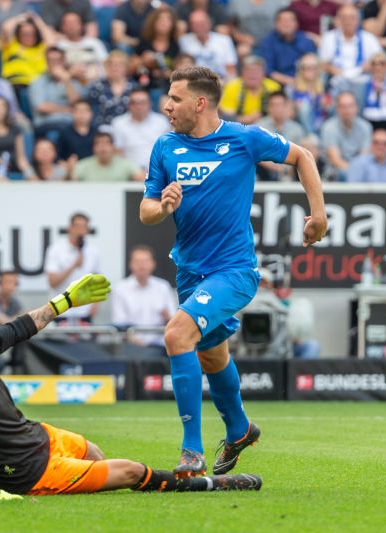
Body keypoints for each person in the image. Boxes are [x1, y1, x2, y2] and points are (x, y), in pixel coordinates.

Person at [0, 281, 262, 500]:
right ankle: (210, 485)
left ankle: (93, 482)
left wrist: (64, 302)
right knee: (132, 471)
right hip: (26, 472)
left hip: (37, 434)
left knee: (93, 452)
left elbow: (19, 328)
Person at [140, 66, 326, 478]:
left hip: (234, 270)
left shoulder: (244, 138)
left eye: (175, 98)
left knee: (176, 334)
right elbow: (146, 210)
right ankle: (240, 429)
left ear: (200, 103)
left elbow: (303, 156)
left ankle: (192, 450)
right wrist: (163, 206)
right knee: (210, 354)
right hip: (189, 272)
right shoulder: (165, 146)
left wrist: (319, 215)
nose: (167, 106)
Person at [112, 244, 177, 347]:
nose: (142, 265)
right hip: (131, 346)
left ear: (153, 264)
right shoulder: (120, 289)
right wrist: (139, 344)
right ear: (130, 264)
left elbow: (174, 321)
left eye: (146, 261)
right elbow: (120, 324)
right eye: (137, 261)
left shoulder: (163, 287)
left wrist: (167, 317)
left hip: (160, 346)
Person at [43, 213, 100, 323]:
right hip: (61, 311)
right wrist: (73, 266)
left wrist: (96, 304)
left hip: (84, 311)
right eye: (78, 226)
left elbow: (96, 280)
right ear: (70, 228)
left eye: (84, 227)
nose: (80, 231)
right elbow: (52, 282)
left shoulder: (94, 251)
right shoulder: (56, 250)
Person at [28, 46, 85, 136]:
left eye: (58, 60)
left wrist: (66, 81)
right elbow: (41, 107)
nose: (55, 64)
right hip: (47, 123)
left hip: (71, 123)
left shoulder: (73, 82)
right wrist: (66, 110)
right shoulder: (38, 81)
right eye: (51, 60)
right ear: (46, 62)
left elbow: (76, 105)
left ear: (64, 62)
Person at [318, 5, 382, 85]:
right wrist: (330, 69)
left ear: (358, 20)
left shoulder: (369, 38)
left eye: (352, 18)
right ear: (338, 20)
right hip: (336, 80)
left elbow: (380, 59)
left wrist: (370, 64)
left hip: (363, 80)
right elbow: (322, 63)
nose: (348, 21)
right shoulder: (328, 37)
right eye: (344, 18)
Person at [110, 88, 170, 171]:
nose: (138, 106)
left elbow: (167, 149)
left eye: (142, 102)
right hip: (129, 172)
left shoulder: (161, 121)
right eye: (134, 103)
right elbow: (117, 153)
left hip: (158, 170)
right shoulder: (118, 123)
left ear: (149, 104)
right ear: (129, 105)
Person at [320, 92, 373, 181]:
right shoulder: (329, 127)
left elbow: (364, 157)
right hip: (336, 172)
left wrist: (357, 172)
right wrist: (354, 173)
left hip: (360, 170)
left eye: (350, 106)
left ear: (356, 107)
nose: (347, 110)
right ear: (337, 109)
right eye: (343, 106)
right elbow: (335, 160)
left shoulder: (365, 127)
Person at [258, 8, 316, 87]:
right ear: (276, 24)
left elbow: (312, 64)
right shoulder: (268, 42)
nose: (286, 24)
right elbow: (268, 70)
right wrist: (290, 82)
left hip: (303, 82)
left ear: (296, 23)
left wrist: (300, 82)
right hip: (277, 85)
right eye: (283, 21)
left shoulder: (304, 40)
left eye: (290, 20)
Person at [131, 6, 181, 93]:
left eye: (167, 20)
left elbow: (179, 70)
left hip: (168, 87)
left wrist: (167, 73)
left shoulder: (175, 46)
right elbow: (131, 67)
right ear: (153, 22)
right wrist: (143, 60)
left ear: (173, 24)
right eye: (160, 19)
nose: (163, 23)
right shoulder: (144, 42)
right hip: (144, 85)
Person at [218, 55, 281, 125]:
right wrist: (245, 119)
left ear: (263, 73)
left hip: (268, 125)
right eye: (248, 71)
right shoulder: (232, 86)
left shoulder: (273, 87)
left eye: (256, 71)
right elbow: (226, 114)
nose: (252, 74)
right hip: (238, 126)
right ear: (242, 73)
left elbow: (281, 111)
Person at [178, 10, 237, 80]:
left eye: (202, 23)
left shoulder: (224, 40)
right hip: (193, 81)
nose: (199, 27)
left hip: (220, 80)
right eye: (195, 24)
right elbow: (180, 67)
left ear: (209, 23)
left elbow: (231, 68)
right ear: (190, 26)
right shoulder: (183, 41)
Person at [54, 11, 108, 84]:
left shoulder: (94, 43)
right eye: (68, 23)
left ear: (82, 25)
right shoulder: (58, 46)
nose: (71, 26)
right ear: (62, 27)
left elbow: (105, 64)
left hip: (94, 82)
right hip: (69, 83)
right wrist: (71, 73)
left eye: (74, 23)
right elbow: (55, 69)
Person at [87, 51, 137, 127]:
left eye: (119, 64)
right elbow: (92, 111)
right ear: (106, 67)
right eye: (111, 64)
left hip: (129, 128)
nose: (114, 68)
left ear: (126, 67)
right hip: (102, 128)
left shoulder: (135, 87)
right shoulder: (97, 86)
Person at [74, 131, 144, 182]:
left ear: (113, 147)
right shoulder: (83, 165)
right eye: (98, 144)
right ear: (93, 148)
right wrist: (70, 172)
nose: (103, 148)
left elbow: (141, 177)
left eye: (106, 143)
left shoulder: (125, 164)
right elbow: (72, 180)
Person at [55, 99, 96, 163]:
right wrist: (64, 164)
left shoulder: (97, 133)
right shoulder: (65, 133)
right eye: (78, 111)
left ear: (91, 113)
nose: (82, 114)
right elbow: (57, 155)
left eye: (85, 111)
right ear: (72, 113)